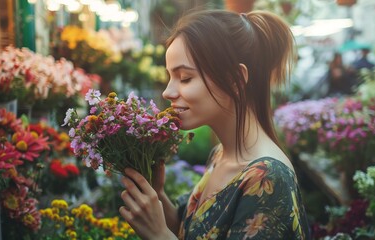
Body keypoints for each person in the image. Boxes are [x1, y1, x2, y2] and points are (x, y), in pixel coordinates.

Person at [119, 9, 310, 240]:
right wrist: (157, 195)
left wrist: (159, 235)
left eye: (185, 78)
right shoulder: (220, 155)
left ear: (236, 79)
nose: (168, 92)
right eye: (170, 76)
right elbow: (192, 229)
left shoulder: (268, 178)